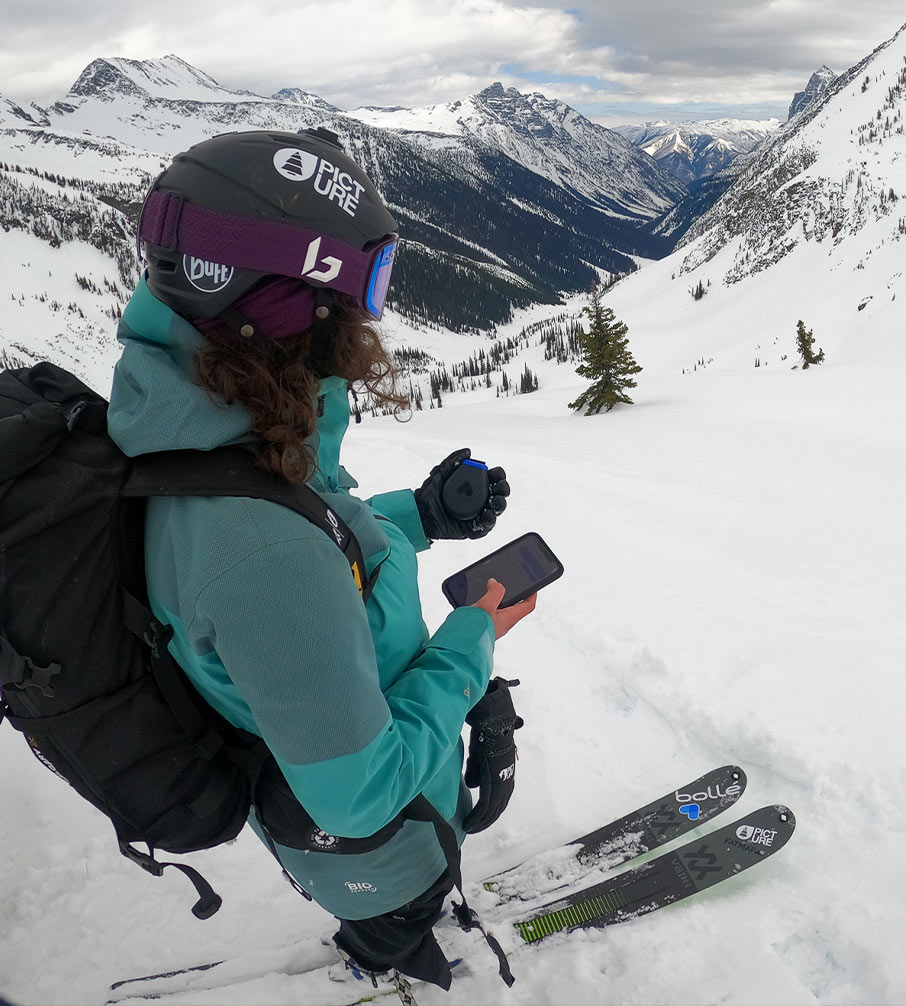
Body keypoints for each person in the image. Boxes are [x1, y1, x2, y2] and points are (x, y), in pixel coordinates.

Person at [106, 127, 537, 993]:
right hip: (366, 836)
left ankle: (386, 930)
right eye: (361, 286)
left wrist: (416, 517)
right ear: (278, 298)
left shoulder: (204, 433)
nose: (368, 316)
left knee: (398, 878)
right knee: (399, 902)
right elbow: (361, 796)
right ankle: (386, 952)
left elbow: (314, 529)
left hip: (313, 771)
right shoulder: (258, 549)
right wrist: (471, 640)